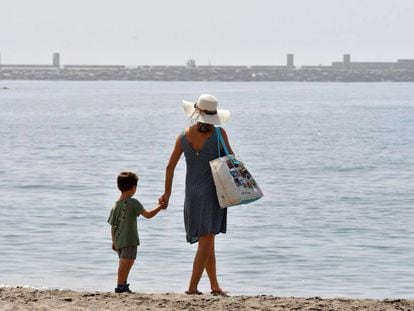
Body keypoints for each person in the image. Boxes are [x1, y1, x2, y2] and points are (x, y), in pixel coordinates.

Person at [159, 94, 233, 296]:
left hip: (191, 193)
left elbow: (170, 167)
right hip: (211, 192)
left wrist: (167, 193)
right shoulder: (219, 134)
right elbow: (231, 160)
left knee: (208, 240)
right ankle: (192, 287)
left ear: (196, 113)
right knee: (207, 240)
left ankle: (214, 286)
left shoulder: (183, 136)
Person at [108, 171, 165, 293]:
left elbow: (113, 226)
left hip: (119, 239)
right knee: (125, 262)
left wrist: (113, 241)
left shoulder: (115, 205)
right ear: (134, 188)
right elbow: (148, 215)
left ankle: (123, 283)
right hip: (129, 238)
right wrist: (160, 206)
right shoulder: (133, 202)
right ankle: (120, 285)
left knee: (128, 260)